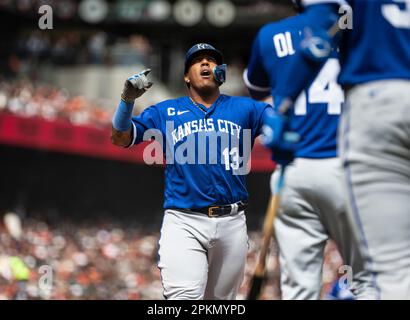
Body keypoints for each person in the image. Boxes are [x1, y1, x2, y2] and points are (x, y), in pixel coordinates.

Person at [259, 0, 410, 299]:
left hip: (379, 99)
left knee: (389, 271)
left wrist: (285, 104)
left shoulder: (275, 34)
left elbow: (316, 40)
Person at [110, 43, 270, 300]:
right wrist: (127, 101)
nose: (206, 64)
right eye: (198, 61)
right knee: (183, 298)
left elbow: (280, 125)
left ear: (222, 71)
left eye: (212, 60)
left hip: (233, 222)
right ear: (186, 76)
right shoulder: (165, 111)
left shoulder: (247, 109)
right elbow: (120, 137)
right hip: (185, 221)